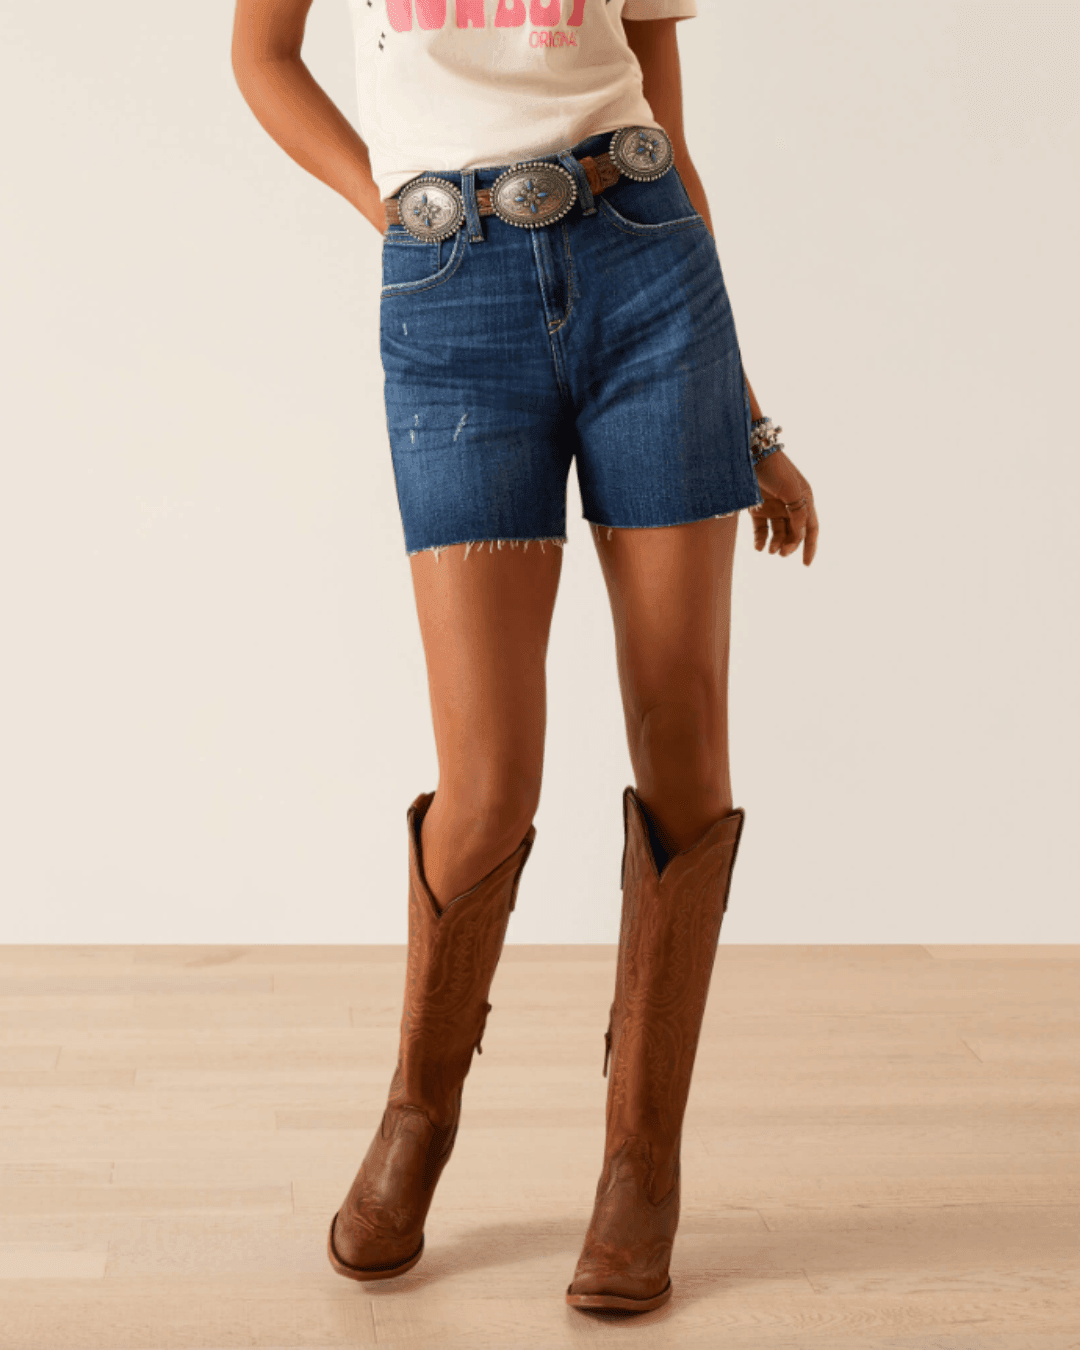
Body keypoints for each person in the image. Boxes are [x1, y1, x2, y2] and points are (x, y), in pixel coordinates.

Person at [231, 0, 818, 1315]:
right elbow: (260, 56)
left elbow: (663, 111)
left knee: (683, 736)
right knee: (489, 780)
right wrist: (387, 204)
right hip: (450, 300)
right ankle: (419, 1111)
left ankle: (640, 1162)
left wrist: (748, 411)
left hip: (651, 273)